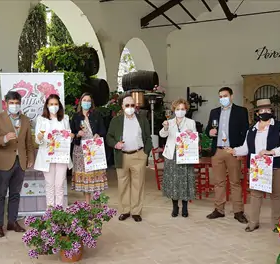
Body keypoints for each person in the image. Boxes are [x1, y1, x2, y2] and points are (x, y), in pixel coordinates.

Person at [226, 99, 280, 232]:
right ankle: (253, 222)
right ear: (257, 113)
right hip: (257, 167)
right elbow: (246, 148)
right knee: (256, 195)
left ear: (272, 112)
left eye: (267, 110)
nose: (265, 112)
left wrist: (272, 152)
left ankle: (276, 223)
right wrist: (234, 150)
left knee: (275, 194)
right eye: (261, 110)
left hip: (277, 166)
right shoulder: (251, 130)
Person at [0, 91, 35, 238]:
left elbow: (28, 142)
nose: (14, 105)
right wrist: (5, 138)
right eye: (11, 103)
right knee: (0, 195)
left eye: (17, 103)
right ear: (6, 104)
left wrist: (30, 157)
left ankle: (12, 222)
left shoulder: (26, 120)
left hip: (20, 161)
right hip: (2, 162)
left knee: (15, 194)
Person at [205, 86, 249, 223]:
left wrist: (239, 149)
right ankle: (219, 209)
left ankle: (238, 211)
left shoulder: (241, 111)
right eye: (220, 96)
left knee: (235, 182)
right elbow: (208, 129)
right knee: (218, 182)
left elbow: (245, 132)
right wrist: (209, 132)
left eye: (225, 96)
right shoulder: (214, 112)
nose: (222, 98)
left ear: (231, 96)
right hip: (217, 151)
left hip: (232, 151)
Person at [106, 94, 152, 222]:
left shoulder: (142, 119)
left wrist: (145, 153)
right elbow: (109, 137)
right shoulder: (116, 121)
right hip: (122, 156)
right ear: (122, 106)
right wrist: (116, 144)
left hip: (138, 155)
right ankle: (125, 210)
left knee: (138, 185)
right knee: (123, 184)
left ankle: (136, 211)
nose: (130, 108)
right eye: (127, 105)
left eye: (132, 105)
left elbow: (148, 137)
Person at [34, 94, 74, 207]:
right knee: (50, 184)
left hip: (61, 156)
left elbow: (68, 139)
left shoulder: (65, 118)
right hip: (47, 157)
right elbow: (37, 140)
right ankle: (51, 213)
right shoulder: (41, 119)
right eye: (51, 104)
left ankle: (60, 212)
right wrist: (40, 138)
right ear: (47, 105)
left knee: (59, 184)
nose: (53, 106)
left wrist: (70, 136)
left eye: (56, 104)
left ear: (59, 105)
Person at [159, 99, 197, 217]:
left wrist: (191, 133)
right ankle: (175, 207)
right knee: (173, 182)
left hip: (185, 155)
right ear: (174, 110)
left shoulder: (191, 122)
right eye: (177, 109)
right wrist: (165, 127)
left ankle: (185, 207)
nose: (180, 111)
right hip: (171, 155)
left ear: (186, 110)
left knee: (185, 180)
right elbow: (162, 134)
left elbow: (195, 138)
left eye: (182, 109)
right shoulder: (169, 122)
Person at [71, 93, 108, 202]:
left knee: (96, 176)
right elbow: (71, 133)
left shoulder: (96, 115)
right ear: (80, 102)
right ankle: (87, 204)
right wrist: (78, 134)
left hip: (94, 149)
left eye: (88, 100)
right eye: (84, 100)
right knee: (86, 179)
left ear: (91, 103)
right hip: (80, 151)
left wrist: (98, 134)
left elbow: (103, 130)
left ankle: (97, 204)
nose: (86, 102)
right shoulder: (76, 117)